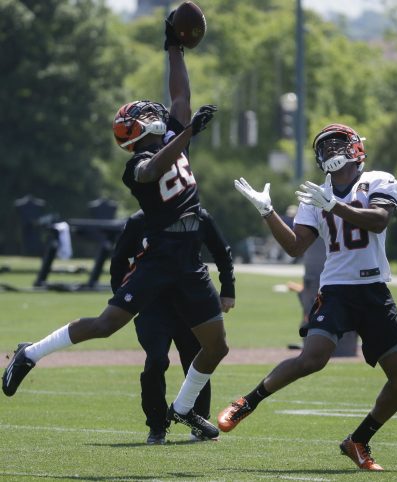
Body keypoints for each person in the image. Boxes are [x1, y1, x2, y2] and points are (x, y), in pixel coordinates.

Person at [3, 13, 230, 441]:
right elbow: (152, 171)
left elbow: (180, 94)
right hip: (160, 256)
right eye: (148, 114)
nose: (158, 112)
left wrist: (173, 47)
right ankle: (29, 354)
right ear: (140, 130)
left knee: (216, 347)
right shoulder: (138, 164)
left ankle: (182, 409)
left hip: (189, 258)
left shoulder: (170, 136)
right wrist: (186, 136)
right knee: (107, 323)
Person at [218, 123, 397, 471]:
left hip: (374, 291)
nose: (331, 151)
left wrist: (334, 205)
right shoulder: (314, 196)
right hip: (337, 290)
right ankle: (247, 402)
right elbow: (295, 246)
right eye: (324, 147)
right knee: (313, 358)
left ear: (356, 148)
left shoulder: (379, 180)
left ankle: (358, 440)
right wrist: (268, 212)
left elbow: (379, 220)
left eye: (338, 144)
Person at [110, 208, 235, 444]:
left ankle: (197, 420)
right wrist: (124, 299)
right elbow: (118, 261)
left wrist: (228, 289)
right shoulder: (140, 220)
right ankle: (157, 426)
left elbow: (222, 251)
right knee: (156, 360)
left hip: (191, 301)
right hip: (153, 305)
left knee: (196, 359)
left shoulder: (198, 217)